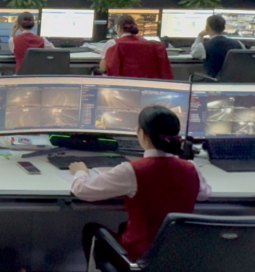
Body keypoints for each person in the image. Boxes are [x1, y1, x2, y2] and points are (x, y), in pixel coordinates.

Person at [71, 106, 211, 263]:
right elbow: (204, 194)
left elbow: (81, 190)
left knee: (91, 230)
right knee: (124, 226)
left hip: (139, 257)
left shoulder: (132, 170)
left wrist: (80, 172)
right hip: (176, 256)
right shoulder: (191, 167)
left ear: (142, 134)